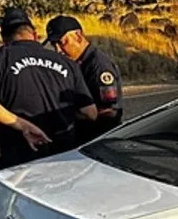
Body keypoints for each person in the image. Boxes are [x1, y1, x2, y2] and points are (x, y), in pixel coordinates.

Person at [0, 8, 97, 170]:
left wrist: (23, 125)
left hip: (19, 158)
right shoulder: (67, 63)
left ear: (4, 38)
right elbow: (90, 112)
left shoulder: (0, 59)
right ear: (35, 35)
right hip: (63, 157)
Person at [44, 15, 123, 144]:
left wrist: (71, 115)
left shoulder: (98, 65)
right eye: (54, 45)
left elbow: (110, 112)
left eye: (62, 42)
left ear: (78, 36)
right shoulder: (74, 64)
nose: (58, 50)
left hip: (98, 140)